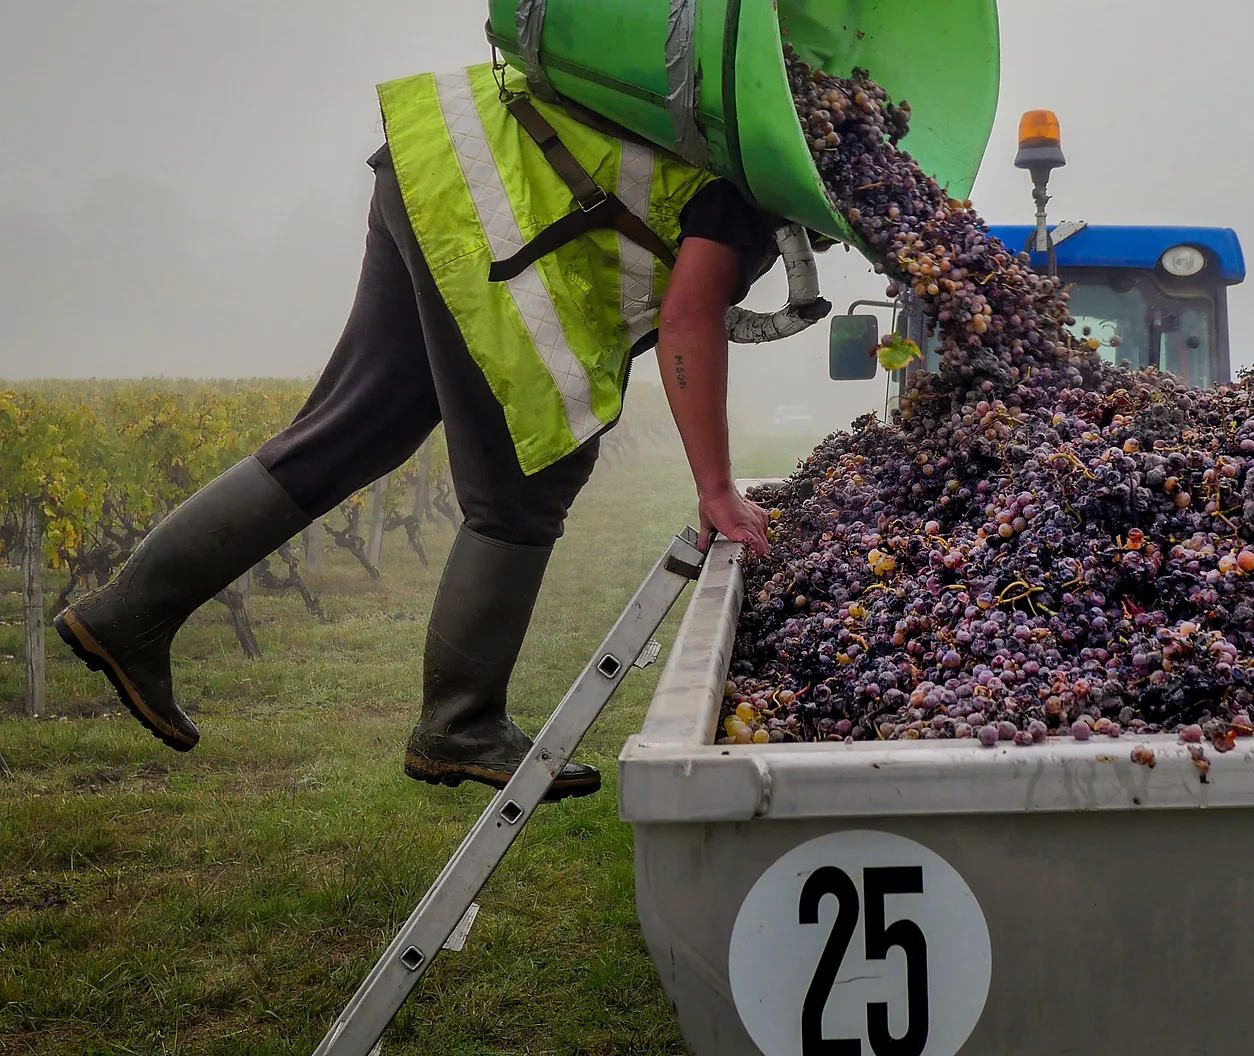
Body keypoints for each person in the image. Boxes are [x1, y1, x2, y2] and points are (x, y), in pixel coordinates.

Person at [53, 59, 787, 803]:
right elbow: (688, 320)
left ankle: (127, 615)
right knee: (530, 476)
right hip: (487, 216)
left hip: (434, 159)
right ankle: (460, 724)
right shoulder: (751, 176)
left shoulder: (724, 112)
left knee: (355, 430)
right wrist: (716, 486)